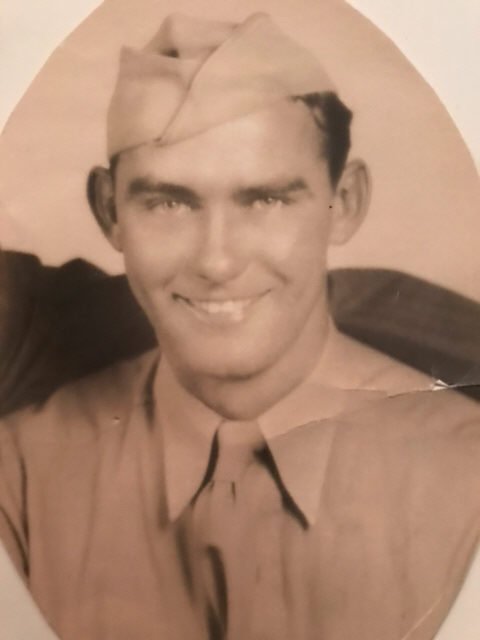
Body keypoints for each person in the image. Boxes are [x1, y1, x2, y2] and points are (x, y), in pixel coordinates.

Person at [0, 12, 479, 640]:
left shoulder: (465, 473)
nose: (217, 262)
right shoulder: (22, 475)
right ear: (109, 210)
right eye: (169, 203)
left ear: (345, 202)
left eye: (267, 200)